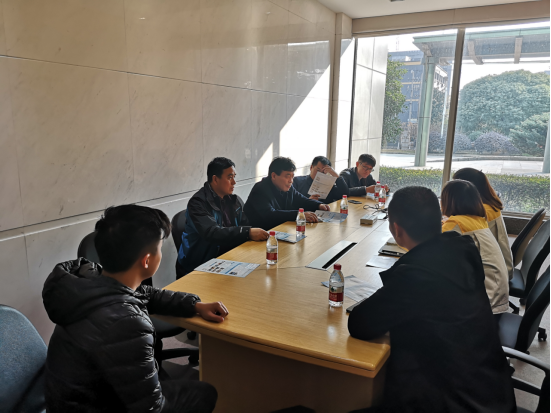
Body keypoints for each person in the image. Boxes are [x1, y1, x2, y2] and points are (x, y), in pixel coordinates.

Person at [43, 205, 228, 413]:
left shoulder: (88, 280)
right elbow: (152, 409)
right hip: (95, 406)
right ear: (147, 261)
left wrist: (194, 305)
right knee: (205, 393)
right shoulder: (126, 323)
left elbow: (145, 293)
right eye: (160, 248)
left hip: (77, 399)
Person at [348, 187, 515, 413]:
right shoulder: (463, 251)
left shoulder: (415, 275)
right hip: (492, 392)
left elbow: (359, 324)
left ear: (396, 229)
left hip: (451, 402)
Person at [177, 157, 269, 278]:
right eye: (230, 177)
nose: (234, 182)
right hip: (201, 267)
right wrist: (247, 232)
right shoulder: (197, 203)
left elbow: (245, 224)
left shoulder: (233, 200)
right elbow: (213, 232)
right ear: (215, 179)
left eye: (234, 177)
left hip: (230, 260)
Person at [441, 180, 510, 314]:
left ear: (448, 201)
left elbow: (429, 247)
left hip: (485, 302)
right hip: (497, 293)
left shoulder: (456, 223)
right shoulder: (479, 220)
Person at [453, 168, 514, 280]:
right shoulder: (489, 205)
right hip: (499, 267)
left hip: (490, 276)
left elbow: (451, 234)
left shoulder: (482, 212)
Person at [244, 157, 330, 230]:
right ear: (274, 176)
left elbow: (302, 200)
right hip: (259, 236)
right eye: (287, 176)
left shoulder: (287, 187)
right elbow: (270, 215)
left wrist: (319, 205)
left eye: (292, 177)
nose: (291, 181)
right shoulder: (260, 190)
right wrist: (299, 215)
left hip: (280, 229)